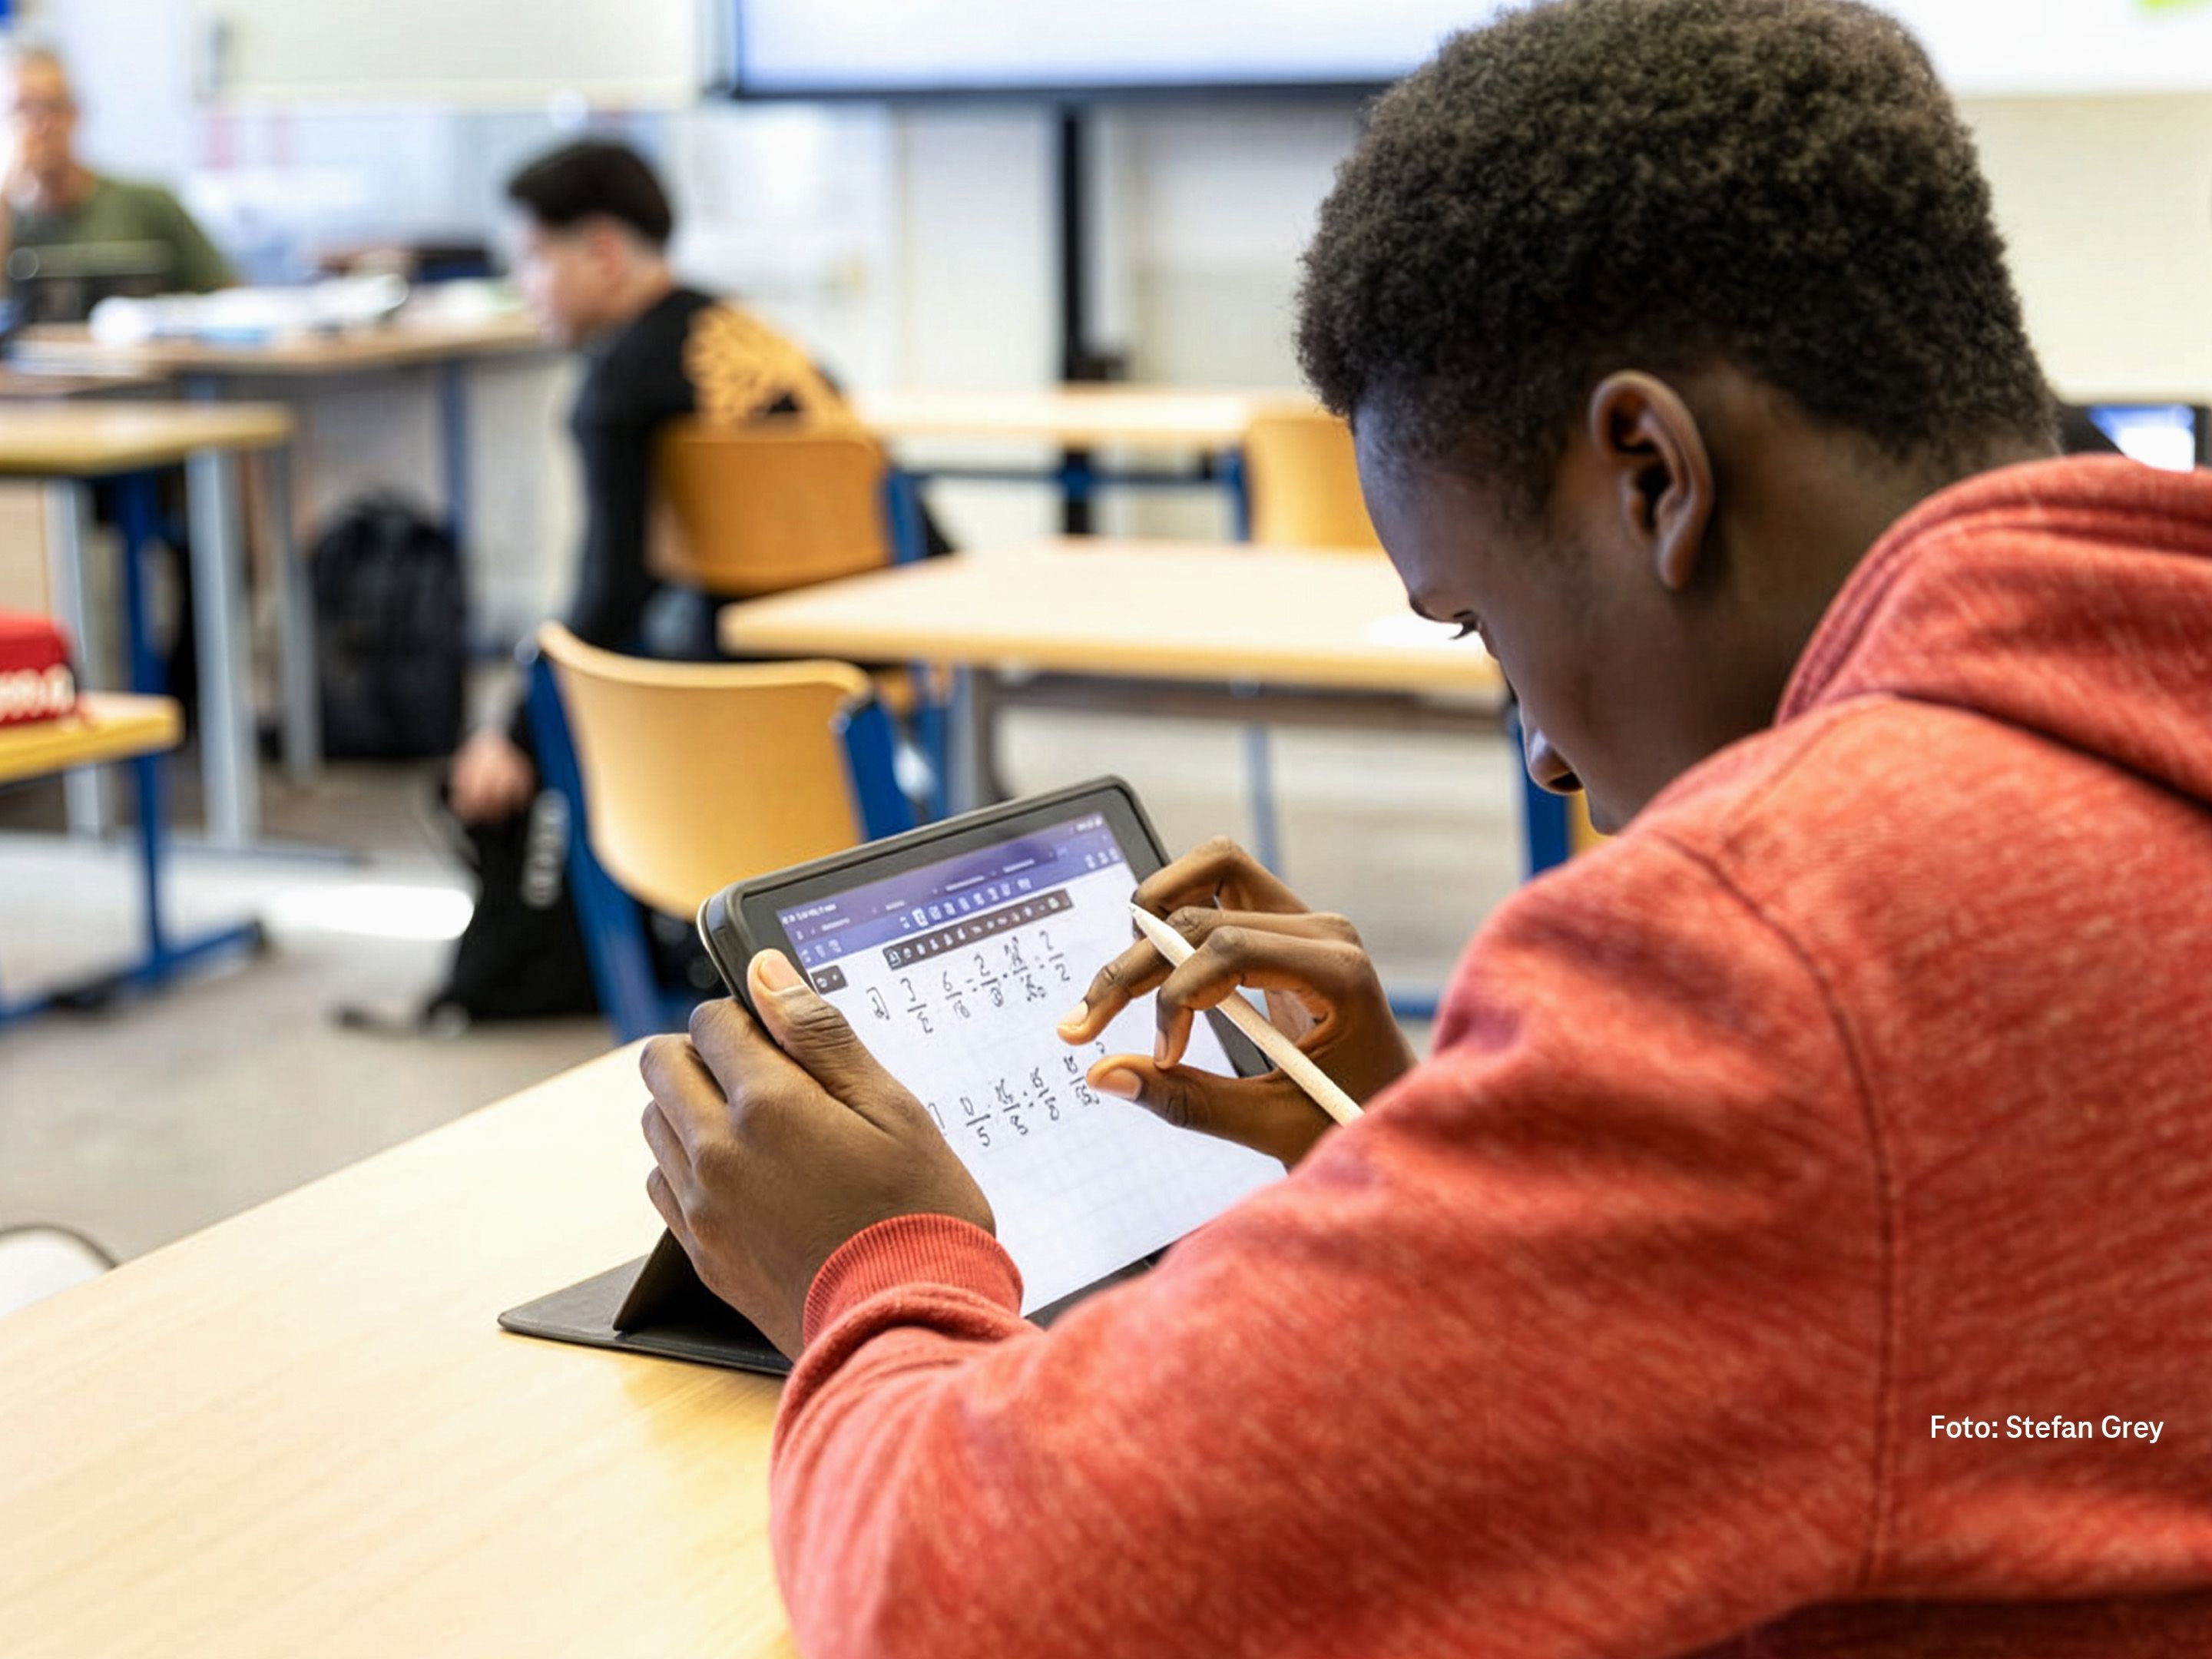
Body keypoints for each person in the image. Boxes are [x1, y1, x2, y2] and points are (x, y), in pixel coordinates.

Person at [638, 1, 2212, 1653]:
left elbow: (964, 1604)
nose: (1547, 758)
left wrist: (875, 1264)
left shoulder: (1786, 947)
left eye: (1480, 623)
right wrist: (1451, 1164)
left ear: (1653, 474)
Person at [448, 138, 853, 826]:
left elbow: (612, 593)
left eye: (535, 258)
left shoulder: (618, 385)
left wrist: (511, 730)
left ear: (604, 252)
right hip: (879, 637)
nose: (522, 285)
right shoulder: (748, 329)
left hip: (747, 670)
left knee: (602, 661)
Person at [2, 45, 233, 311]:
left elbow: (230, 298)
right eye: (22, 109)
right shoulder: (7, 219)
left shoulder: (150, 205)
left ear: (76, 114)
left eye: (54, 107)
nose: (42, 124)